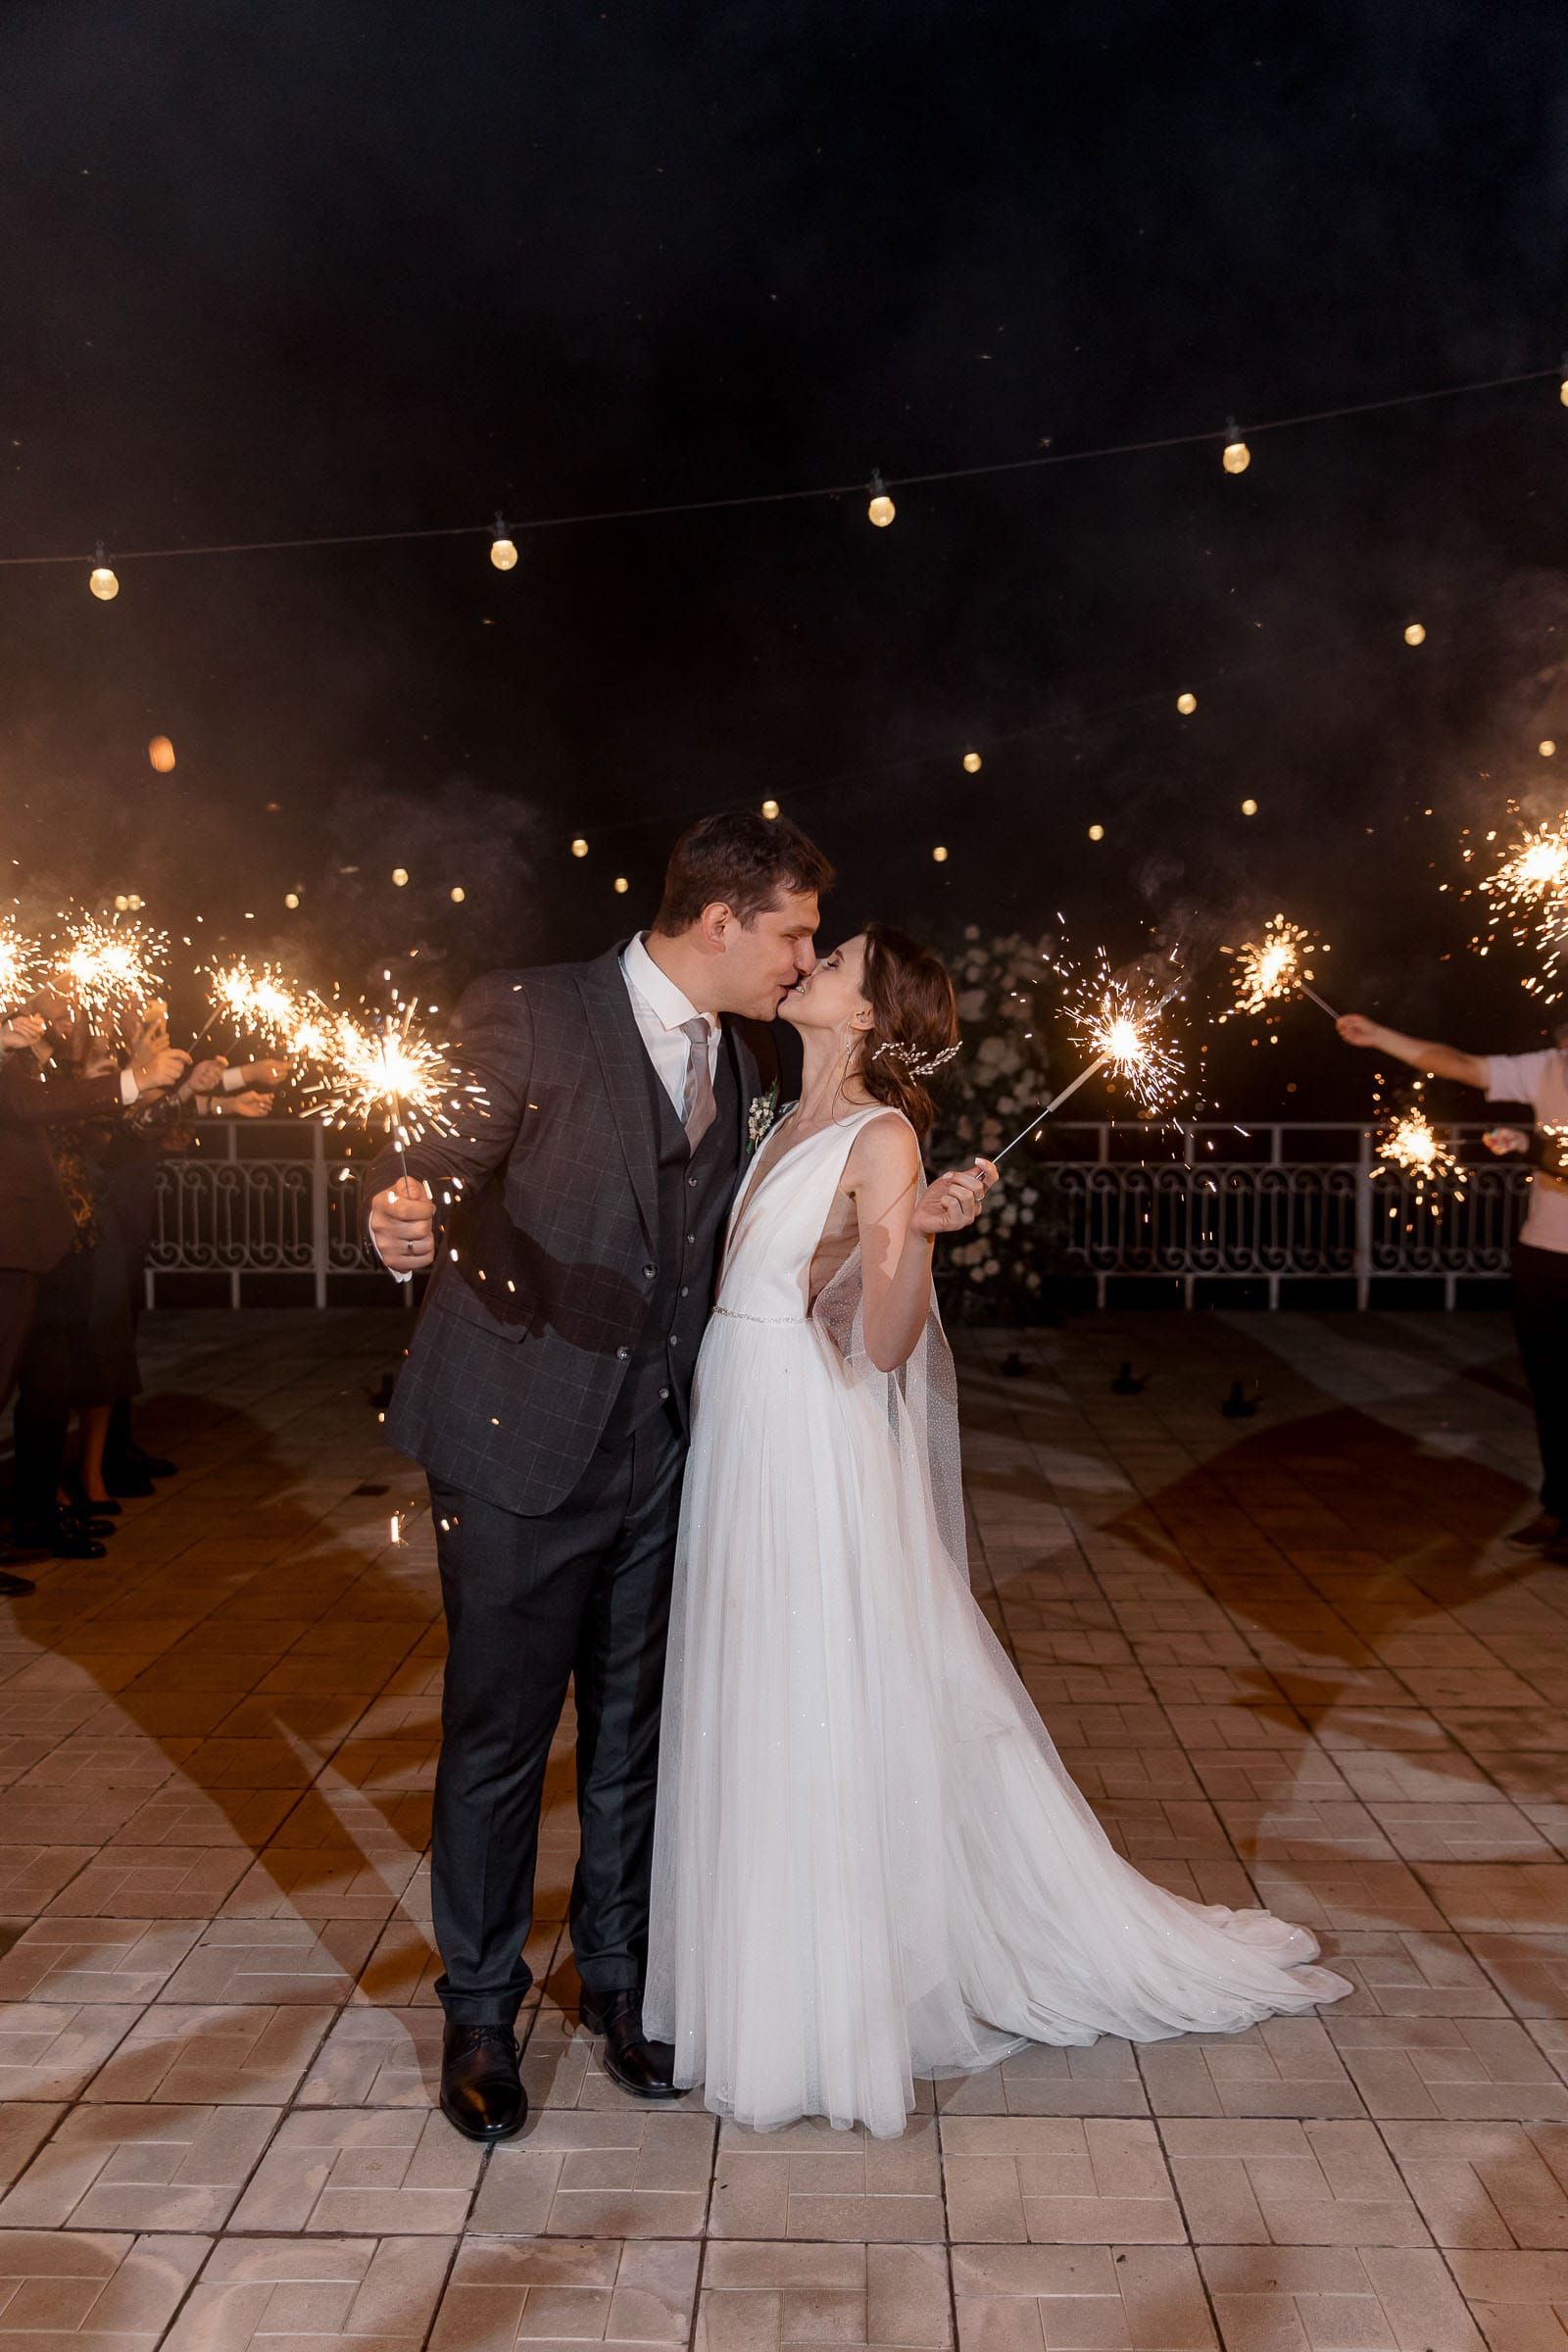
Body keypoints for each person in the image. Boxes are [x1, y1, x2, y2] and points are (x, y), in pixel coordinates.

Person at [645, 925, 1349, 2139]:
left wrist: (916, 1239)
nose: (808, 962)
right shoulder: (772, 1108)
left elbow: (883, 1342)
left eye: (838, 960)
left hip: (803, 1446)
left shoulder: (883, 1137)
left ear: (869, 1015)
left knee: (814, 1692)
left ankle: (825, 2001)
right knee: (753, 1687)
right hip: (743, 1420)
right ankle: (756, 1967)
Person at [365, 814, 989, 2146]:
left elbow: (786, 1246)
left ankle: (621, 1977)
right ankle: (480, 2010)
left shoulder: (762, 1058)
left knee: (638, 1738)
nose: (805, 955)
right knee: (498, 1738)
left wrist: (903, 1241)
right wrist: (394, 1214)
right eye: (794, 934)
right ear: (721, 922)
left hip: (678, 1455)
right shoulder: (531, 1013)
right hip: (522, 1439)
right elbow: (430, 1151)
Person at [1339, 1009, 1568, 1555]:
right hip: (1544, 1255)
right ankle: (1561, 1509)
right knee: (1554, 1392)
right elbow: (1462, 1065)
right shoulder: (1549, 1068)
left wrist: (1530, 1146)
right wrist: (1381, 1037)